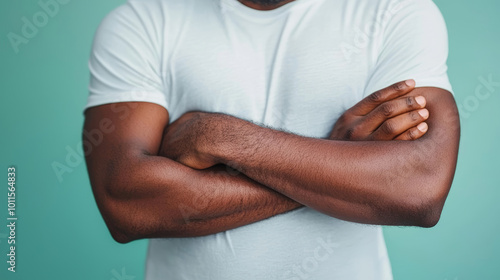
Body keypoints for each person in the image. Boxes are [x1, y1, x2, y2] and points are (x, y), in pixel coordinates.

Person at [83, 0, 460, 279]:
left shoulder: (395, 11)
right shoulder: (142, 21)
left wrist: (215, 135)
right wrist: (342, 162)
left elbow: (418, 190)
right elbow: (126, 204)